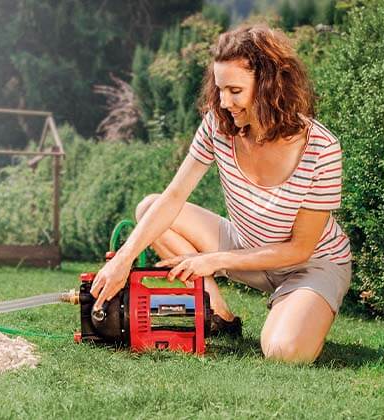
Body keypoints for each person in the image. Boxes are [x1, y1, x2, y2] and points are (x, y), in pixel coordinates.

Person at [90, 24, 351, 364]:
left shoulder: (321, 148)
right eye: (220, 89)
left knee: (285, 352)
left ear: (270, 86)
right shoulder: (218, 125)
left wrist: (214, 260)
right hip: (245, 244)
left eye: (235, 90)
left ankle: (297, 303)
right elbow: (173, 198)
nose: (224, 102)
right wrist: (123, 260)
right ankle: (217, 314)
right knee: (151, 207)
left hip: (310, 263)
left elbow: (299, 248)